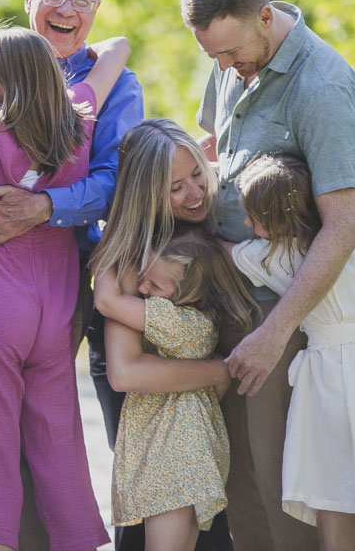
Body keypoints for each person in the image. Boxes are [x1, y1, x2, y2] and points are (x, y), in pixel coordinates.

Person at [0, 0, 144, 551]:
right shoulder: (78, 106)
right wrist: (120, 47)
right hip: (47, 288)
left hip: (0, 279)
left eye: (82, 1)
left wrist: (44, 207)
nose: (68, 10)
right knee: (55, 438)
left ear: (95, 10)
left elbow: (115, 183)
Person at [183, 0, 355, 551]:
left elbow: (343, 226)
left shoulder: (323, 86)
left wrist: (275, 333)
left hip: (280, 314)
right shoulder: (234, 57)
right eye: (212, 55)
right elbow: (213, 145)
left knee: (281, 482)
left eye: (232, 52)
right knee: (237, 480)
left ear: (265, 16)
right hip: (227, 298)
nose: (224, 67)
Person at [229, 154, 355, 550]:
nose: (249, 227)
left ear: (278, 219)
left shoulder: (284, 258)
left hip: (331, 386)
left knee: (333, 504)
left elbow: (225, 253)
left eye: (254, 218)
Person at [93, 227, 255, 551]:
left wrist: (112, 237)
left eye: (154, 285)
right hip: (186, 450)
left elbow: (107, 301)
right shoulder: (196, 320)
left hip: (175, 455)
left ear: (189, 294)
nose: (141, 288)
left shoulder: (179, 322)